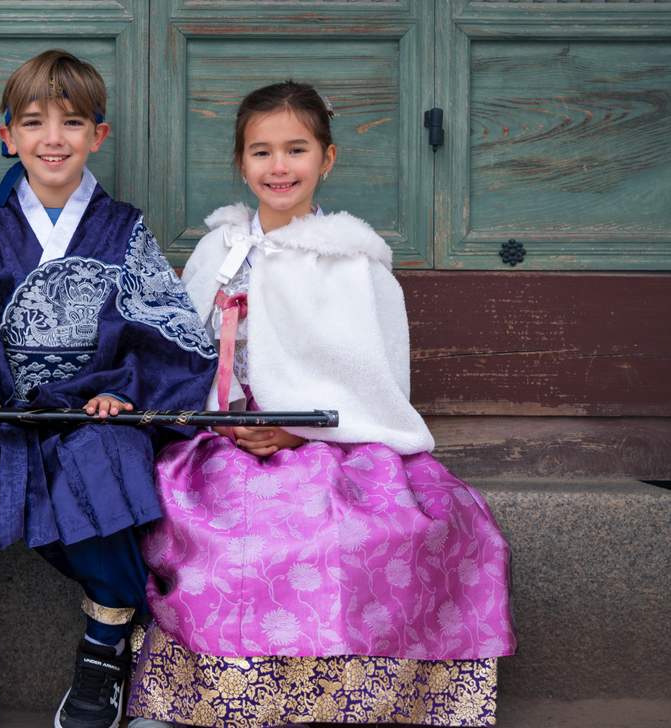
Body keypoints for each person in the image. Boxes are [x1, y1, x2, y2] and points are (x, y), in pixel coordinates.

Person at [126, 81, 515, 728]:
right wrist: (210, 421)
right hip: (219, 441)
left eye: (295, 150)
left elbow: (370, 377)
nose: (278, 167)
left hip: (325, 447)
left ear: (326, 159)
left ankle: (345, 705)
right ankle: (194, 702)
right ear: (240, 162)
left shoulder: (351, 262)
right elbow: (181, 350)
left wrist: (299, 431)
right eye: (260, 152)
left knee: (350, 531)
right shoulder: (217, 251)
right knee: (212, 530)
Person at [0, 50, 216, 728]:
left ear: (96, 136)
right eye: (34, 123)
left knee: (108, 462)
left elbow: (166, 332)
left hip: (90, 411)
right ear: (7, 136)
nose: (53, 139)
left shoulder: (123, 230)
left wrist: (123, 392)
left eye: (72, 123)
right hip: (0, 411)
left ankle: (101, 656)